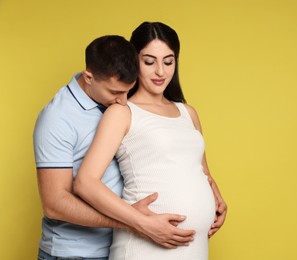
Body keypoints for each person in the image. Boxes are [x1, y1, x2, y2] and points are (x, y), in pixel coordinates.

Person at [33, 35, 196, 260]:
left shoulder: (117, 103)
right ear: (89, 77)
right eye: (115, 93)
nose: (122, 101)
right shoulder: (57, 118)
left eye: (127, 92)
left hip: (120, 248)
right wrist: (131, 221)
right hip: (74, 253)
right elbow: (55, 203)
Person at [74, 22, 227, 259]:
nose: (160, 72)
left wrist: (216, 200)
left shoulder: (188, 113)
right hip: (144, 245)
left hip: (194, 248)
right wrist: (142, 224)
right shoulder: (123, 112)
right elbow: (85, 182)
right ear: (134, 61)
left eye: (168, 61)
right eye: (149, 61)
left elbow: (202, 171)